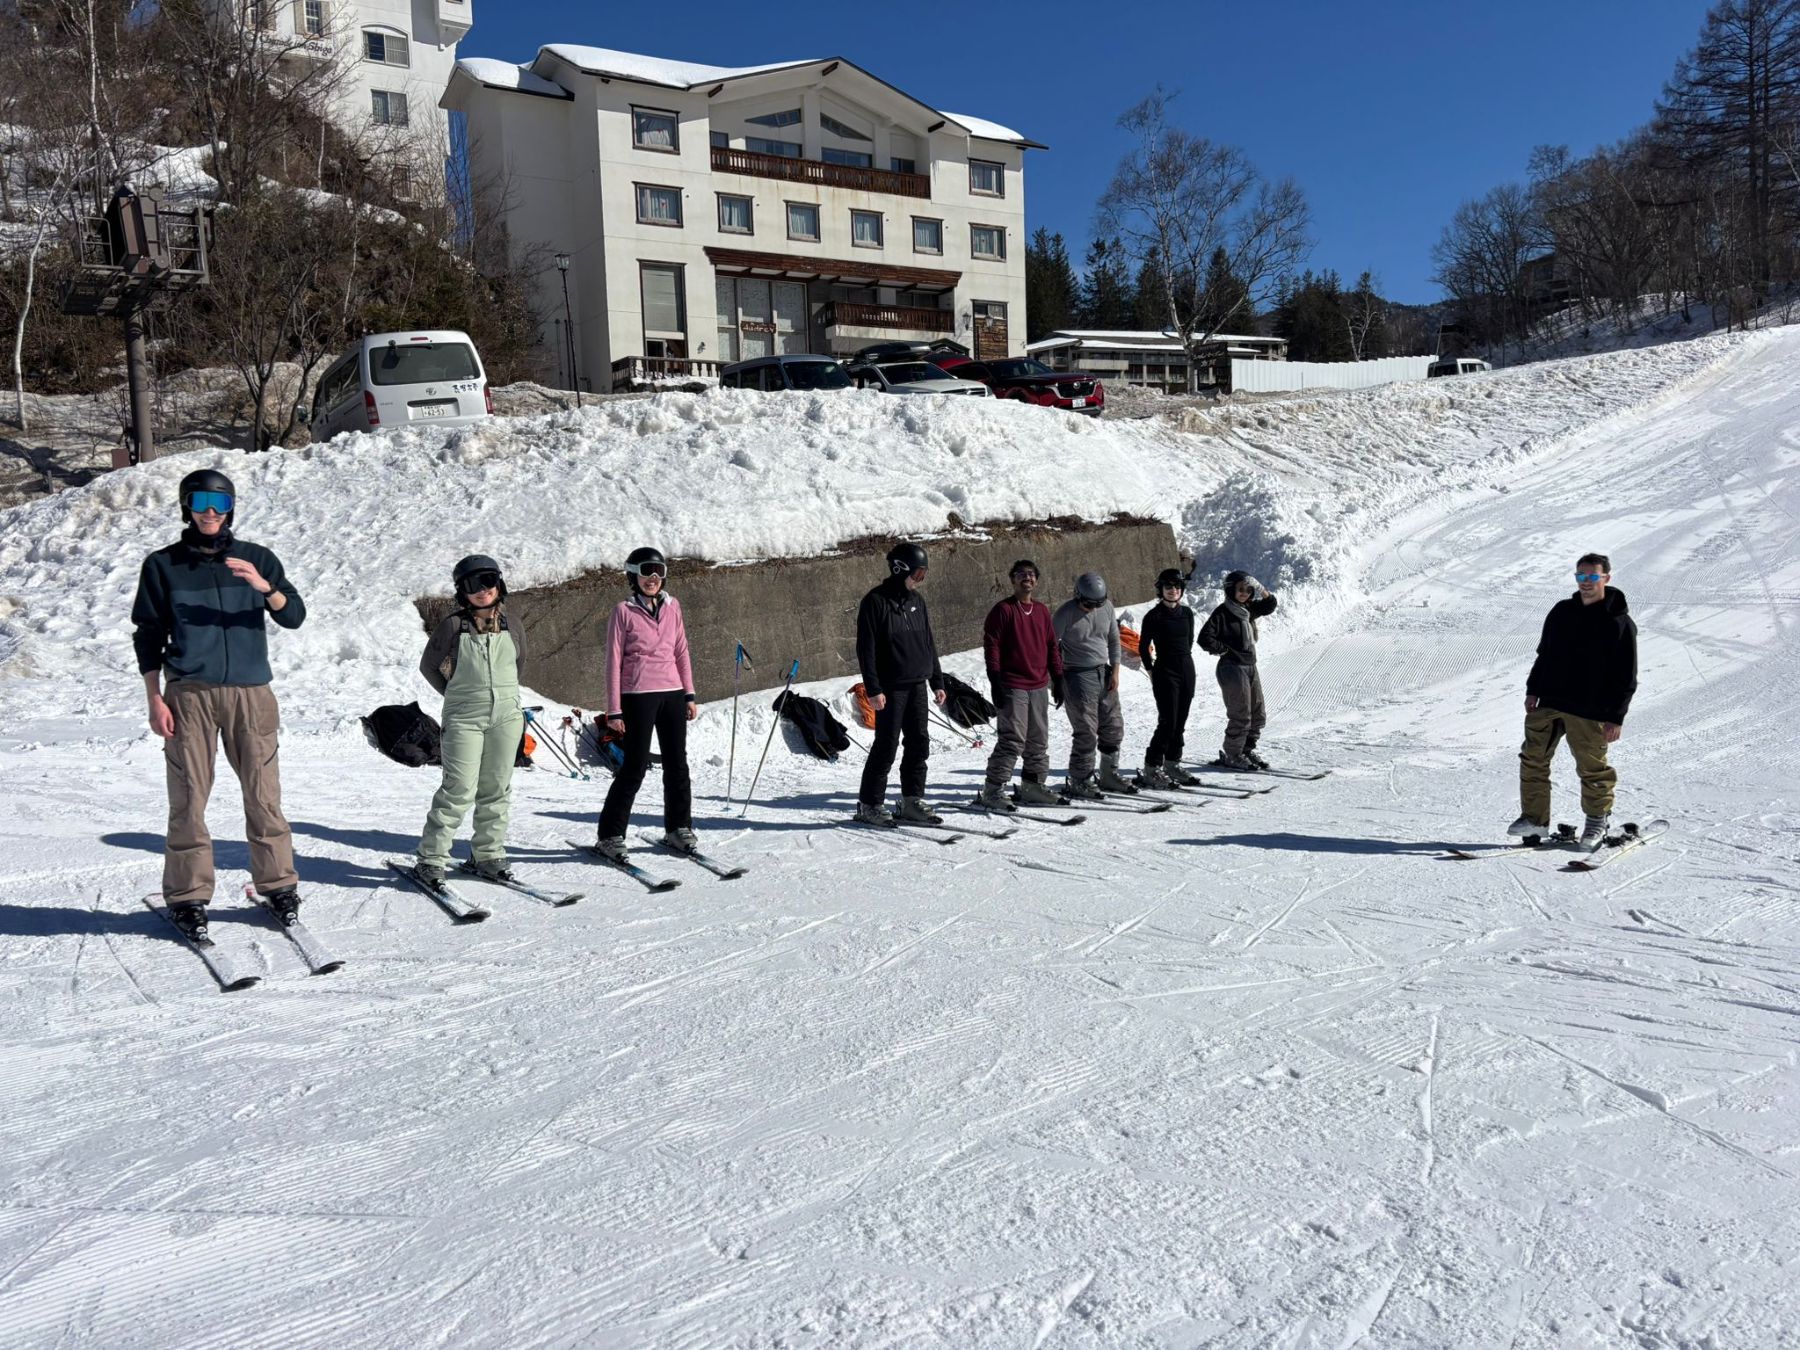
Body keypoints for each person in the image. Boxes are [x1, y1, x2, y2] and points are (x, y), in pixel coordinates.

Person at [131, 467, 306, 938]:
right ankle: (188, 896)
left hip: (252, 694)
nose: (210, 512)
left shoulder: (258, 559)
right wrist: (154, 698)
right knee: (189, 796)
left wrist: (265, 588)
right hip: (189, 695)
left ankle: (278, 885)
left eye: (221, 503)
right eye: (201, 502)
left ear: (231, 509)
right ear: (186, 506)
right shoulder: (162, 566)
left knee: (263, 795)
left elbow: (294, 616)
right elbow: (148, 634)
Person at [413, 555, 526, 887]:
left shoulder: (512, 623)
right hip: (465, 718)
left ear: (499, 583)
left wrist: (504, 697)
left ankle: (487, 855)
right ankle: (431, 859)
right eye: (471, 585)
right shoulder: (453, 625)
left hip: (506, 717)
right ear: (461, 591)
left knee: (497, 788)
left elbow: (519, 664)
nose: (482, 590)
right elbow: (428, 666)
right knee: (458, 788)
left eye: (488, 581)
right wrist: (455, 695)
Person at [1512, 552, 1637, 845]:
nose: (1586, 582)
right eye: (1581, 576)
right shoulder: (1561, 612)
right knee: (1533, 760)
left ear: (1606, 578)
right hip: (1550, 701)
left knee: (1592, 768)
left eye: (1592, 576)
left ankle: (1596, 822)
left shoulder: (1619, 622)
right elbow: (1545, 654)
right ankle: (1534, 821)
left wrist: (1616, 716)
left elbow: (1626, 675)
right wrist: (1533, 689)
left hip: (1590, 709)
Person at [594, 546, 697, 861]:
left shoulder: (673, 606)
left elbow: (681, 650)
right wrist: (614, 709)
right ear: (633, 575)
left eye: (658, 571)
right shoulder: (623, 611)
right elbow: (613, 661)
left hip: (673, 693)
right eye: (645, 572)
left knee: (677, 763)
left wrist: (689, 694)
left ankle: (678, 827)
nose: (652, 578)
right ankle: (610, 835)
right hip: (638, 696)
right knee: (635, 766)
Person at [853, 542, 950, 825]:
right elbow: (866, 650)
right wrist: (873, 689)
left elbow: (928, 644)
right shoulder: (875, 602)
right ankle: (870, 804)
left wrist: (937, 681)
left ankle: (912, 800)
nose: (920, 580)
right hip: (890, 688)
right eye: (917, 574)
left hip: (917, 684)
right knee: (886, 746)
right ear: (899, 569)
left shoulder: (917, 601)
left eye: (923, 575)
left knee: (919, 743)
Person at [978, 559, 1065, 811]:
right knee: (1012, 740)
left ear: (1036, 580)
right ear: (1012, 580)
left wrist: (1058, 678)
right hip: (1012, 684)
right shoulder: (1003, 610)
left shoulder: (1041, 611)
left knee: (1038, 740)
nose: (1027, 577)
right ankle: (993, 789)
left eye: (1031, 574)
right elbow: (992, 647)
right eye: (1021, 574)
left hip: (1038, 685)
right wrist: (995, 681)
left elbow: (1052, 646)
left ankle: (1033, 785)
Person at [1053, 572, 1136, 799]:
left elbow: (1113, 639)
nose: (1092, 608)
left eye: (1097, 604)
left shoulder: (1106, 607)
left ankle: (1109, 773)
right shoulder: (1065, 614)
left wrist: (1115, 670)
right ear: (1077, 596)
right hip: (1077, 675)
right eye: (1088, 604)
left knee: (1113, 726)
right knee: (1087, 731)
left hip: (1104, 672)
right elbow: (1048, 647)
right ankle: (1080, 779)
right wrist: (1056, 680)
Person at [1198, 569, 1279, 770]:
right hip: (1232, 668)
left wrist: (1261, 588)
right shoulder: (1223, 612)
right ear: (1230, 590)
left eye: (1249, 590)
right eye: (1240, 589)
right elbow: (1204, 638)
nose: (1245, 593)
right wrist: (1224, 650)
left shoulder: (1248, 609)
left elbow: (1269, 605)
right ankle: (1233, 754)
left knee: (1258, 713)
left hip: (1250, 664)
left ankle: (1246, 750)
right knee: (1241, 714)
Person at [1137, 567, 1201, 789]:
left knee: (1181, 720)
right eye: (1168, 586)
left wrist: (1183, 661)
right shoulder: (1153, 616)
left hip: (1186, 667)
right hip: (1165, 670)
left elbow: (1189, 640)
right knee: (1168, 721)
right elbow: (1143, 647)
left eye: (1176, 586)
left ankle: (1172, 763)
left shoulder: (1187, 613)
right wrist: (1151, 670)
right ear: (1161, 589)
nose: (1172, 590)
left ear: (1181, 589)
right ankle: (1152, 767)